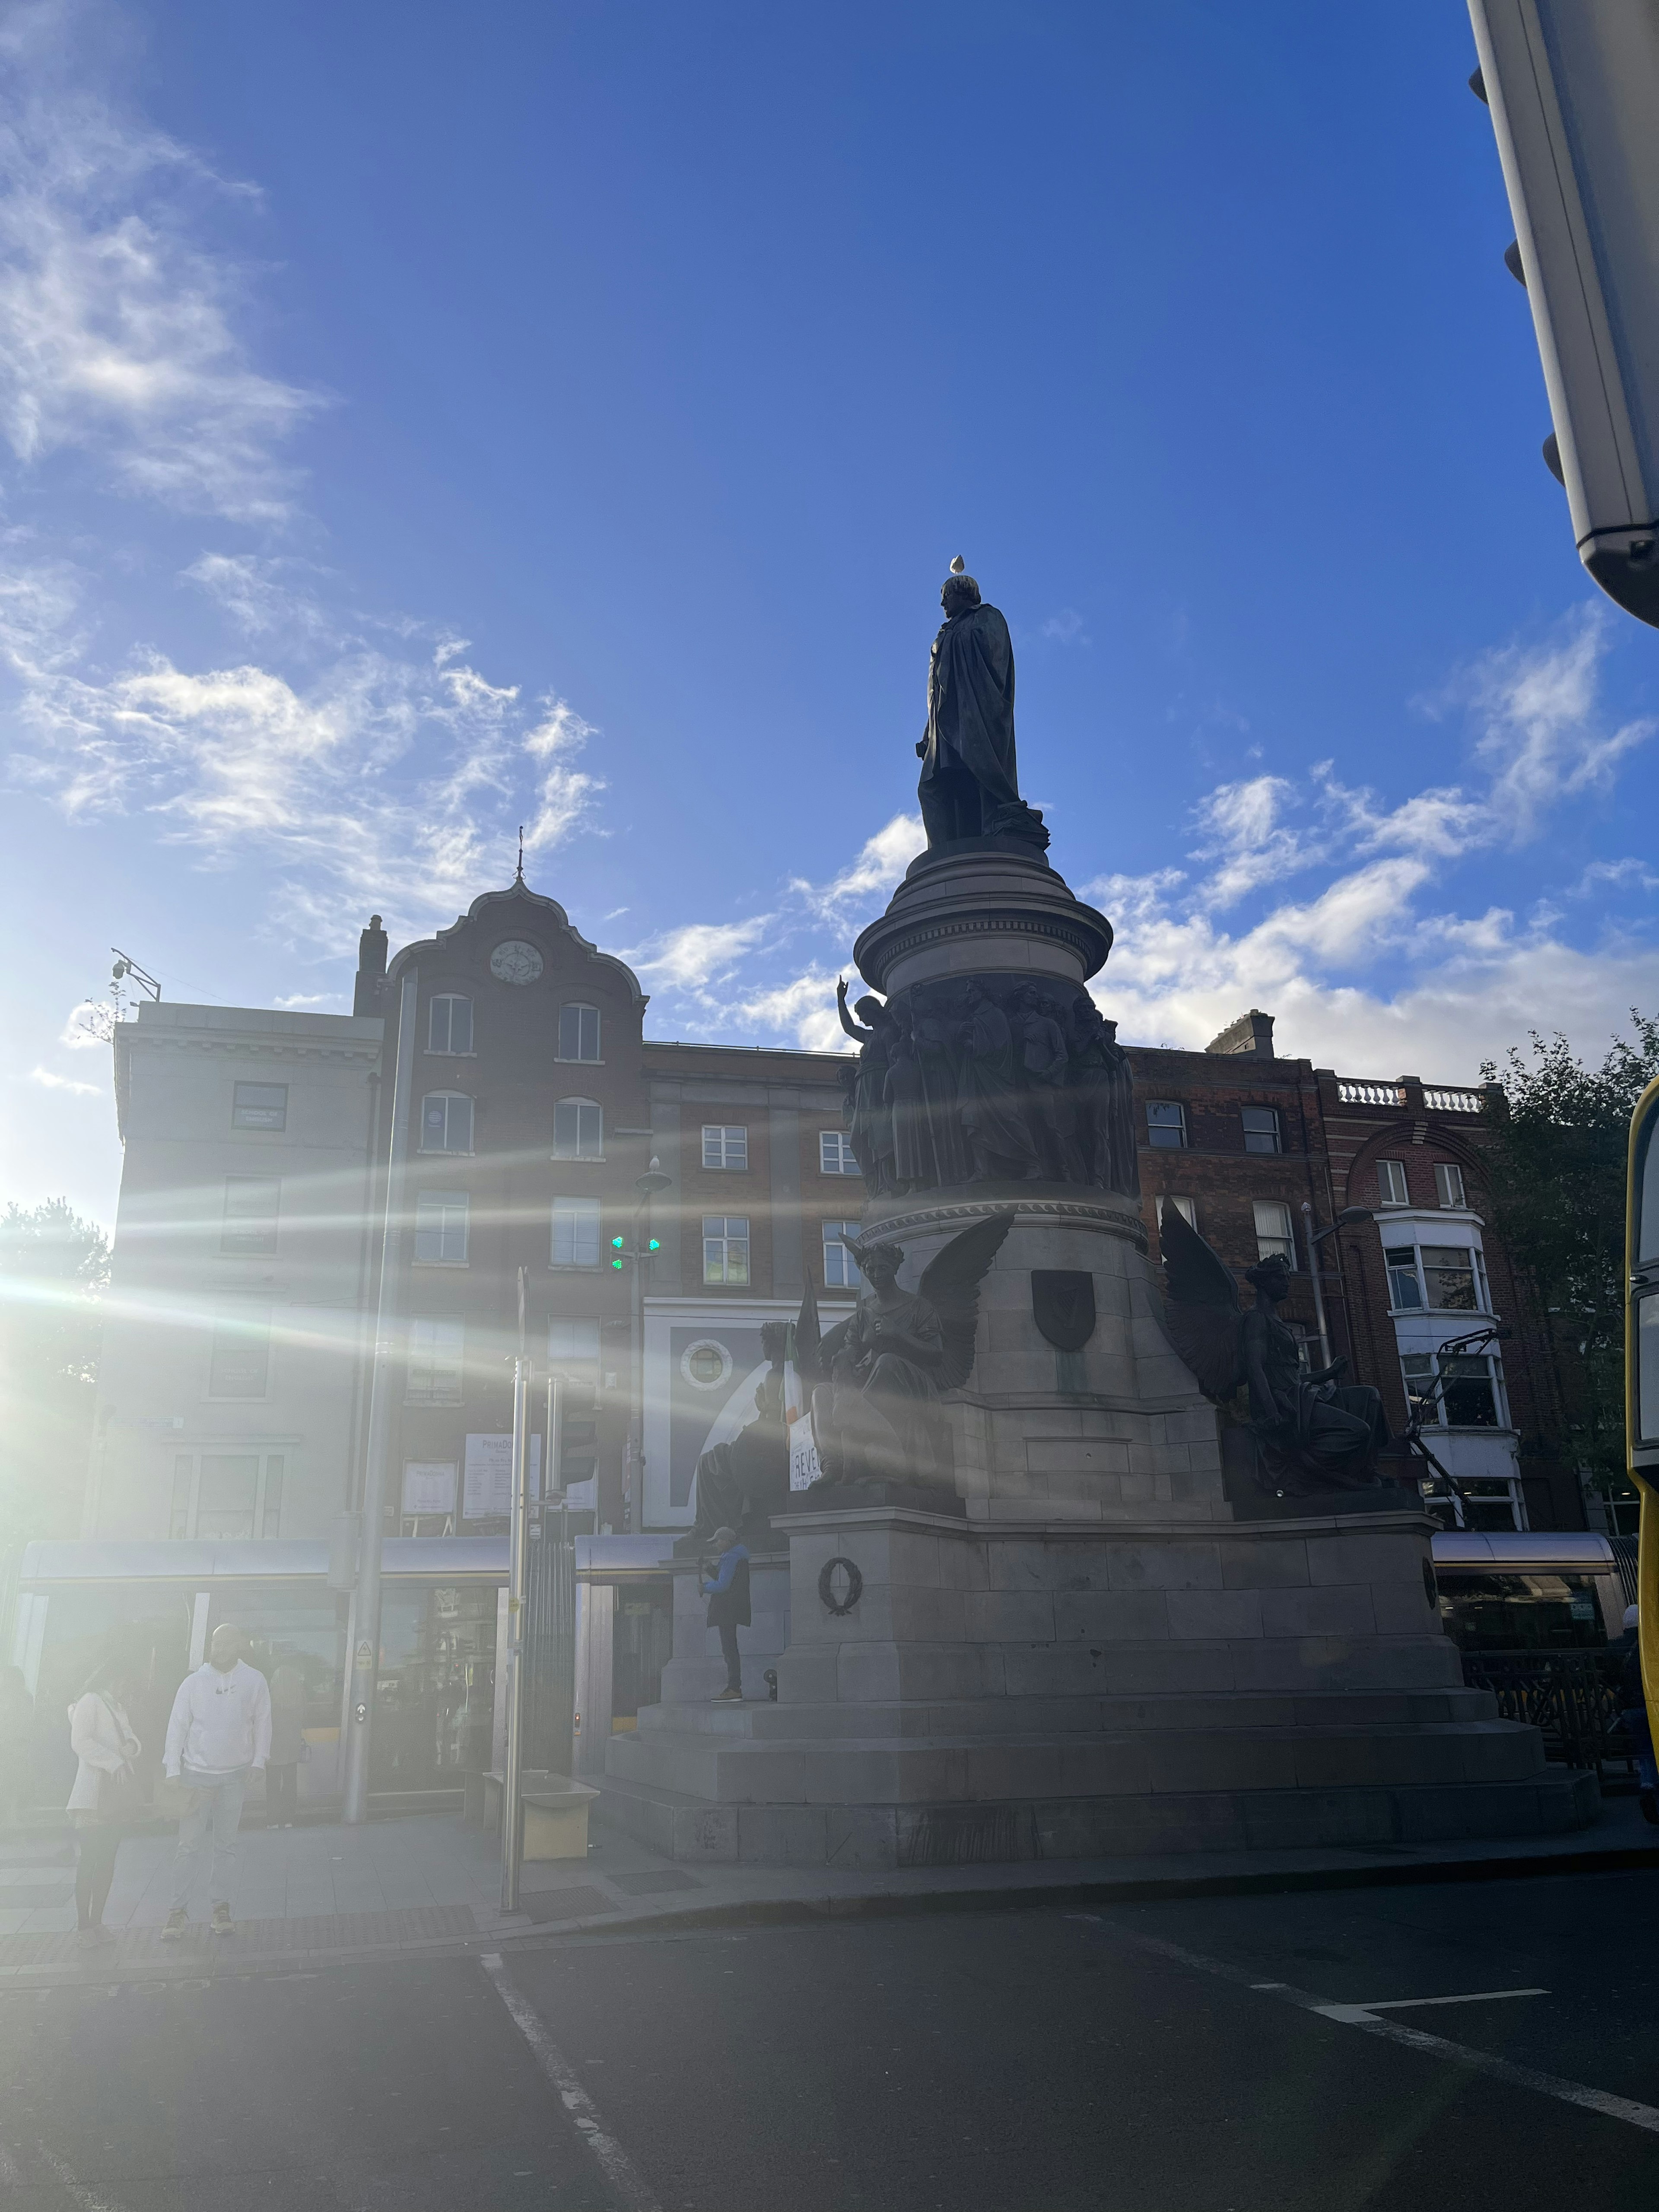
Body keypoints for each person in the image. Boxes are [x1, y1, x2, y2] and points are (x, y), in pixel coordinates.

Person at [160, 1623, 271, 1939]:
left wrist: (259, 1760)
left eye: (225, 1643)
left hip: (235, 1777)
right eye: (214, 1643)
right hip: (196, 1777)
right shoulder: (194, 1683)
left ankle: (220, 1908)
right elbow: (177, 1726)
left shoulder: (254, 1681)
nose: (218, 1648)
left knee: (227, 1846)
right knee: (188, 1846)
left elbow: (263, 1721)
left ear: (239, 1645)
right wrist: (172, 1769)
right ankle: (176, 1913)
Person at [66, 1660, 141, 1948]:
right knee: (90, 1860)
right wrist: (114, 1762)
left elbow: (132, 1737)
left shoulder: (117, 1706)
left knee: (108, 1860)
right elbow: (80, 1742)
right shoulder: (90, 1701)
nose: (125, 1687)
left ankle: (98, 1921)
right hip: (91, 1796)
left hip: (116, 1797)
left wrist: (132, 1749)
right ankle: (84, 1925)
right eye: (123, 1680)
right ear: (111, 1677)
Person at [1615, 1604, 1657, 1827]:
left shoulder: (1616, 1648)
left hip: (1631, 1710)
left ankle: (1648, 1785)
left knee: (1646, 1752)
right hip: (1652, 1706)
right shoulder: (1651, 1643)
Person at [700, 1528, 751, 1703]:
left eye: (717, 1541)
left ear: (727, 1541)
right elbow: (727, 1579)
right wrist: (709, 1568)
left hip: (727, 1609)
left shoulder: (730, 1557)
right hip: (734, 1608)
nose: (715, 1544)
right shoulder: (738, 1556)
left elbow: (723, 1585)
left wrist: (704, 1588)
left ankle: (734, 1688)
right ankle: (734, 1688)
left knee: (729, 1650)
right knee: (730, 1648)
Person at [266, 1661, 306, 1829]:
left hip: (273, 1747)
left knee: (273, 1786)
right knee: (290, 1785)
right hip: (292, 1746)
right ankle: (288, 1820)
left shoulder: (270, 1697)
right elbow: (304, 1717)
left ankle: (273, 1821)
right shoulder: (300, 1696)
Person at [0, 1665, 33, 1834]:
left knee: (14, 1783)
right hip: (10, 1746)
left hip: (16, 1746)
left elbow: (23, 1725)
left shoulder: (24, 1699)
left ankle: (12, 1819)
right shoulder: (10, 1698)